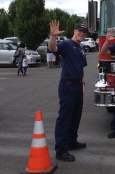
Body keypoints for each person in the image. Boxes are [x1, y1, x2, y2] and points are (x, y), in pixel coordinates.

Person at [48, 20, 88, 162]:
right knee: (65, 118)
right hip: (68, 86)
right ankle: (61, 150)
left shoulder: (81, 48)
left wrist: (82, 82)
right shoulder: (66, 44)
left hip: (78, 86)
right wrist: (53, 36)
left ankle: (71, 142)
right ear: (74, 31)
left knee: (75, 117)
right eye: (79, 31)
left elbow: (81, 68)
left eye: (84, 33)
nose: (81, 34)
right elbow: (53, 48)